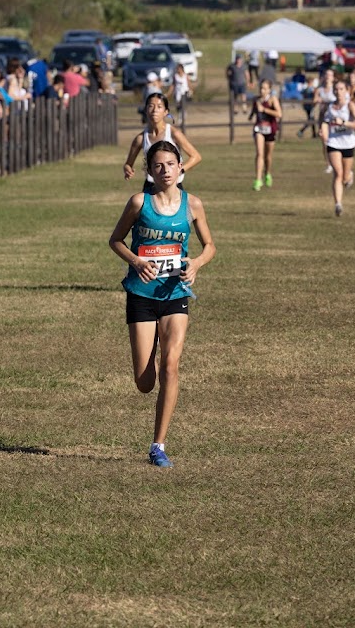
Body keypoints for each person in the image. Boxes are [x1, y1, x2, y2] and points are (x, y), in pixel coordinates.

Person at [108, 139, 216, 468]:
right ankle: (149, 357)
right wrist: (137, 261)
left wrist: (196, 263)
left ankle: (158, 445)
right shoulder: (140, 202)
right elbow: (115, 240)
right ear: (149, 171)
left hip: (175, 294)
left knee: (171, 365)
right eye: (158, 165)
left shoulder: (193, 204)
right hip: (141, 295)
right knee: (145, 382)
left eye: (170, 164)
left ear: (181, 167)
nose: (165, 170)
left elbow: (210, 245)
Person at [122, 92, 201, 192]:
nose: (155, 110)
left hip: (173, 187)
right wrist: (127, 169)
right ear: (146, 110)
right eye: (151, 106)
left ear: (165, 112)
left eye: (159, 107)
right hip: (150, 187)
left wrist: (179, 171)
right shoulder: (141, 138)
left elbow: (196, 157)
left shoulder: (173, 133)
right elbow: (128, 164)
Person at [320, 80, 355, 217]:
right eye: (336, 89)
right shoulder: (330, 107)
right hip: (334, 142)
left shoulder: (350, 106)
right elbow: (325, 122)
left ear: (346, 90)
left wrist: (344, 122)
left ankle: (349, 176)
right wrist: (324, 132)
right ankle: (338, 204)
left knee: (344, 176)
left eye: (341, 89)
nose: (338, 91)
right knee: (337, 173)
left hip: (348, 143)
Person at [249, 78, 282, 191]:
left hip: (270, 130)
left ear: (269, 90)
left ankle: (267, 173)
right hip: (259, 129)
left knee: (268, 156)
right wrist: (252, 114)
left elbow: (279, 114)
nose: (262, 90)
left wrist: (265, 110)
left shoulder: (273, 100)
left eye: (264, 88)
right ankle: (258, 180)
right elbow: (254, 111)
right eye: (261, 88)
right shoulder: (256, 100)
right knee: (259, 153)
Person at [171, 63, 191, 128]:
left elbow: (189, 83)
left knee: (184, 106)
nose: (178, 70)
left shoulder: (186, 76)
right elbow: (173, 85)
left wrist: (190, 90)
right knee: (178, 106)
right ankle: (180, 117)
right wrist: (170, 92)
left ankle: (183, 118)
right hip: (178, 93)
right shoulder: (175, 76)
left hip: (184, 92)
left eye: (179, 68)